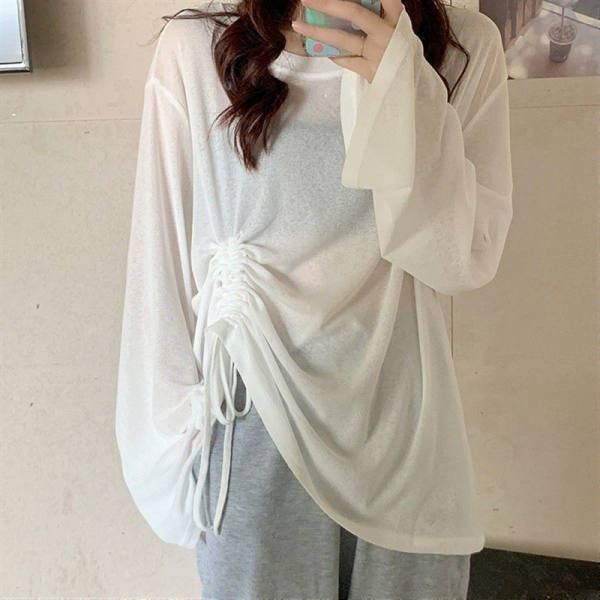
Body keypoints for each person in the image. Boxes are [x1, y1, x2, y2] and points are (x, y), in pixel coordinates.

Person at [115, 0, 513, 598]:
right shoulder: (199, 48)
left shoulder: (464, 47)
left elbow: (462, 260)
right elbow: (159, 262)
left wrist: (406, 92)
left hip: (405, 436)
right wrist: (176, 453)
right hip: (253, 428)